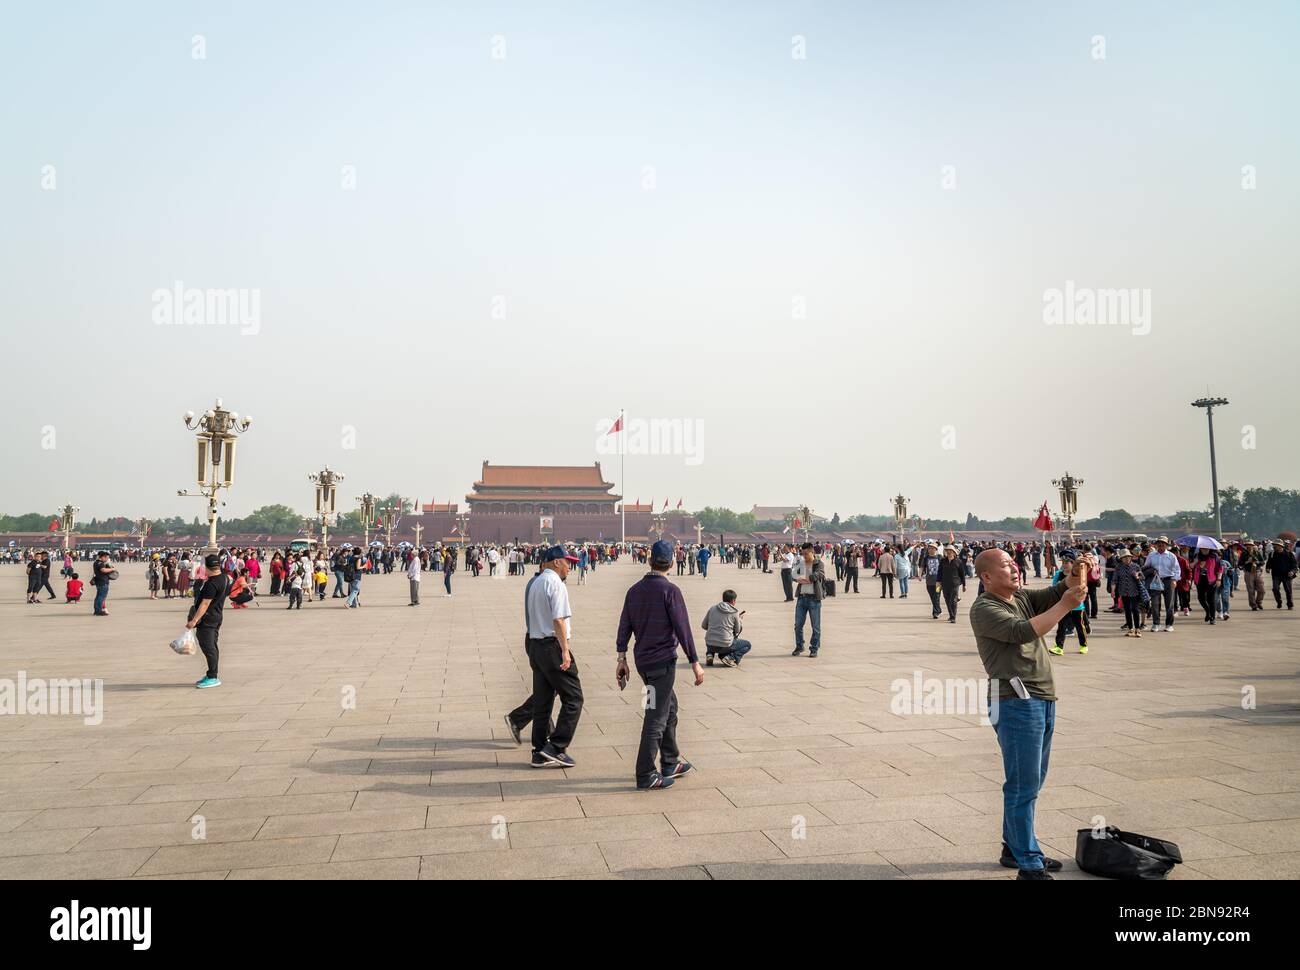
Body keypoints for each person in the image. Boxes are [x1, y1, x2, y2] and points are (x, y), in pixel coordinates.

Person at [969, 547, 1091, 880]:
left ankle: (1015, 846)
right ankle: (1028, 863)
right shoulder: (985, 607)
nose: (1015, 569)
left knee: (1032, 780)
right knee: (1023, 785)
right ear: (987, 577)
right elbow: (1022, 632)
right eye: (1007, 566)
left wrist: (1074, 573)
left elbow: (1055, 592)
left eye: (1015, 563)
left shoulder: (1019, 597)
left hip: (1040, 697)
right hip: (1015, 700)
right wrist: (1066, 605)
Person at [616, 540, 703, 789]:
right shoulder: (670, 591)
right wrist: (695, 662)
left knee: (669, 707)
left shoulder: (634, 591)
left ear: (649, 560)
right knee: (656, 715)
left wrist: (621, 659)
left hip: (643, 663)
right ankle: (645, 773)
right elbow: (683, 629)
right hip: (662, 664)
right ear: (673, 562)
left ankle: (670, 760)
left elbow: (624, 627)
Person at [523, 545, 584, 768]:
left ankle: (538, 751)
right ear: (556, 562)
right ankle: (556, 747)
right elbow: (559, 620)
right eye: (567, 562)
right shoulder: (555, 583)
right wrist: (565, 650)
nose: (570, 566)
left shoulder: (535, 582)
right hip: (552, 647)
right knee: (574, 698)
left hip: (536, 646)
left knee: (543, 702)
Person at [186, 553, 229, 689]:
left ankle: (212, 676)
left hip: (208, 619)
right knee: (212, 646)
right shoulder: (224, 578)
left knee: (209, 647)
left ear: (207, 567)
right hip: (216, 616)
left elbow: (204, 604)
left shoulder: (212, 583)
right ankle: (211, 674)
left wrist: (194, 621)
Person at [1048, 553, 1088, 655]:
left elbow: (1083, 587)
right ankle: (1059, 647)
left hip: (1077, 607)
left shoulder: (1079, 574)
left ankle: (1083, 645)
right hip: (1064, 606)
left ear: (1073, 563)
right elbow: (1054, 587)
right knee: (1061, 627)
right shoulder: (1059, 574)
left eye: (1067, 563)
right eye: (1063, 562)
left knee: (1080, 627)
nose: (1065, 565)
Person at [791, 542, 825, 657]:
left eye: (806, 554)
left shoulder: (819, 563)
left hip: (814, 599)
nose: (804, 556)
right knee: (798, 625)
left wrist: (805, 578)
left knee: (815, 626)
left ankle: (814, 648)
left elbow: (817, 576)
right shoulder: (801, 563)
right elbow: (793, 575)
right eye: (802, 553)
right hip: (802, 598)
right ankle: (799, 646)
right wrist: (800, 579)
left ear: (812, 552)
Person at [701, 589, 751, 668]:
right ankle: (730, 657)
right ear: (733, 601)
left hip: (710, 644)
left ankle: (710, 654)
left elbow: (704, 626)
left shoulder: (712, 608)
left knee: (713, 634)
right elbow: (737, 631)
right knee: (747, 645)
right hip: (725, 645)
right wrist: (739, 620)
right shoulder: (735, 612)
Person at [1267, 539, 1297, 609]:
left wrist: (1292, 571)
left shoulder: (1289, 554)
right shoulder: (1272, 554)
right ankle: (1279, 601)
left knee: (1288, 591)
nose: (1274, 547)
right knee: (1275, 589)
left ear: (1281, 546)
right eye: (1274, 545)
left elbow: (1295, 565)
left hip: (1287, 575)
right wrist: (1267, 568)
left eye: (1276, 545)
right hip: (1276, 575)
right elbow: (1269, 563)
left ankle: (1290, 605)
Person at [939, 545, 964, 623]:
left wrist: (964, 585)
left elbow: (962, 574)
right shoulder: (943, 561)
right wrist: (938, 582)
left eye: (950, 550)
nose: (949, 552)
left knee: (953, 600)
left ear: (954, 552)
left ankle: (953, 617)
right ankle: (951, 614)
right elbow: (939, 572)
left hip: (955, 583)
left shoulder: (958, 561)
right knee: (947, 600)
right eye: (947, 550)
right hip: (945, 583)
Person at [1240, 541, 1265, 611]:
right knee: (1251, 590)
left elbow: (1262, 562)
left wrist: (1257, 562)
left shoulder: (1257, 552)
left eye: (1250, 545)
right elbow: (1240, 564)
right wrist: (1248, 561)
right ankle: (1253, 605)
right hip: (1248, 573)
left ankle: (1258, 602)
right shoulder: (1244, 553)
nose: (1249, 546)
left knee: (1262, 590)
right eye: (1247, 545)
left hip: (1257, 572)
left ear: (1253, 545)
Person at [921, 541, 943, 618]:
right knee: (932, 597)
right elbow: (922, 567)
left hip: (938, 582)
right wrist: (920, 575)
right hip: (929, 582)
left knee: (936, 596)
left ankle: (935, 613)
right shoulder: (926, 558)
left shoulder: (940, 557)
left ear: (936, 549)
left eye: (932, 548)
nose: (931, 549)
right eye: (929, 548)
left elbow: (944, 567)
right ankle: (938, 610)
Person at [90, 551, 115, 616]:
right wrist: (112, 569)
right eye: (107, 557)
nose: (107, 559)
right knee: (101, 597)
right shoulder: (100, 563)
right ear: (103, 557)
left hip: (99, 581)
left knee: (98, 596)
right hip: (102, 582)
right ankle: (99, 611)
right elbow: (103, 570)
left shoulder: (96, 562)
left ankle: (97, 610)